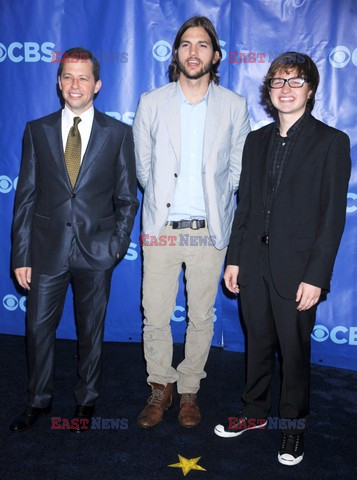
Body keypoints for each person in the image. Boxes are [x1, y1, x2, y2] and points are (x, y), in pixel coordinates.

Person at [214, 52, 351, 465]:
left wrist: (317, 275)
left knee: (294, 352)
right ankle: (254, 412)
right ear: (268, 91)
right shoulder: (256, 141)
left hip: (298, 272)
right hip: (253, 265)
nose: (285, 89)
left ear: (310, 90)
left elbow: (331, 219)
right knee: (257, 344)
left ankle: (292, 427)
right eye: (278, 82)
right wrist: (235, 259)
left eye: (295, 82)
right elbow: (246, 206)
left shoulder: (332, 142)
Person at [10, 47, 139, 433]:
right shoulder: (38, 129)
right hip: (46, 251)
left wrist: (115, 246)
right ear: (58, 82)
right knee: (37, 330)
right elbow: (26, 197)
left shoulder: (118, 133)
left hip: (97, 251)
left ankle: (86, 403)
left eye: (83, 77)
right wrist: (21, 254)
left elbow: (127, 198)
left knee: (91, 332)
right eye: (68, 76)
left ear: (97, 84)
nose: (75, 84)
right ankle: (39, 400)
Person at [133, 16, 250, 429]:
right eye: (186, 44)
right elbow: (143, 169)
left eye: (202, 45)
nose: (194, 52)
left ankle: (188, 391)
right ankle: (160, 386)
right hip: (162, 230)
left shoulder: (234, 105)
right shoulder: (152, 101)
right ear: (176, 53)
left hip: (209, 232)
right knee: (156, 315)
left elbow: (237, 173)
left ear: (214, 55)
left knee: (202, 317)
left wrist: (215, 206)